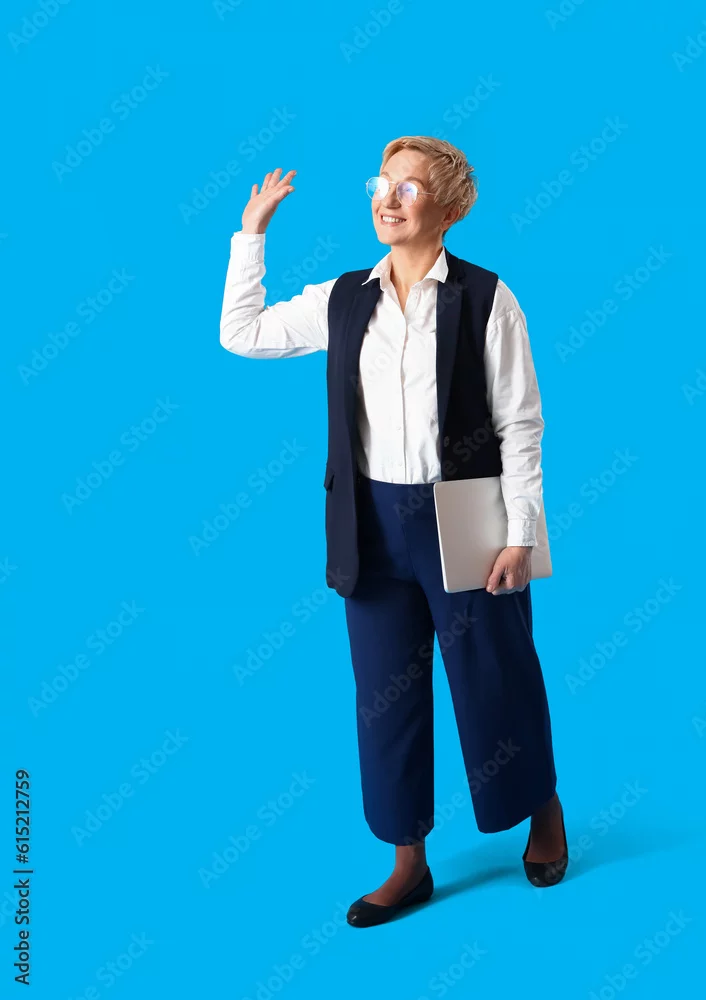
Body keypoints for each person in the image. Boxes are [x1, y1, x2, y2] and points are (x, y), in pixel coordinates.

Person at [219, 136, 567, 928]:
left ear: (447, 210)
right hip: (370, 521)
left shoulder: (487, 298)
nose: (387, 198)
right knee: (384, 695)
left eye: (408, 188)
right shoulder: (345, 298)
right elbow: (242, 333)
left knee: (496, 675)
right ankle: (408, 859)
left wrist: (520, 533)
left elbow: (520, 423)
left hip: (466, 515)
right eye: (382, 183)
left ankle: (540, 809)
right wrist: (252, 234)